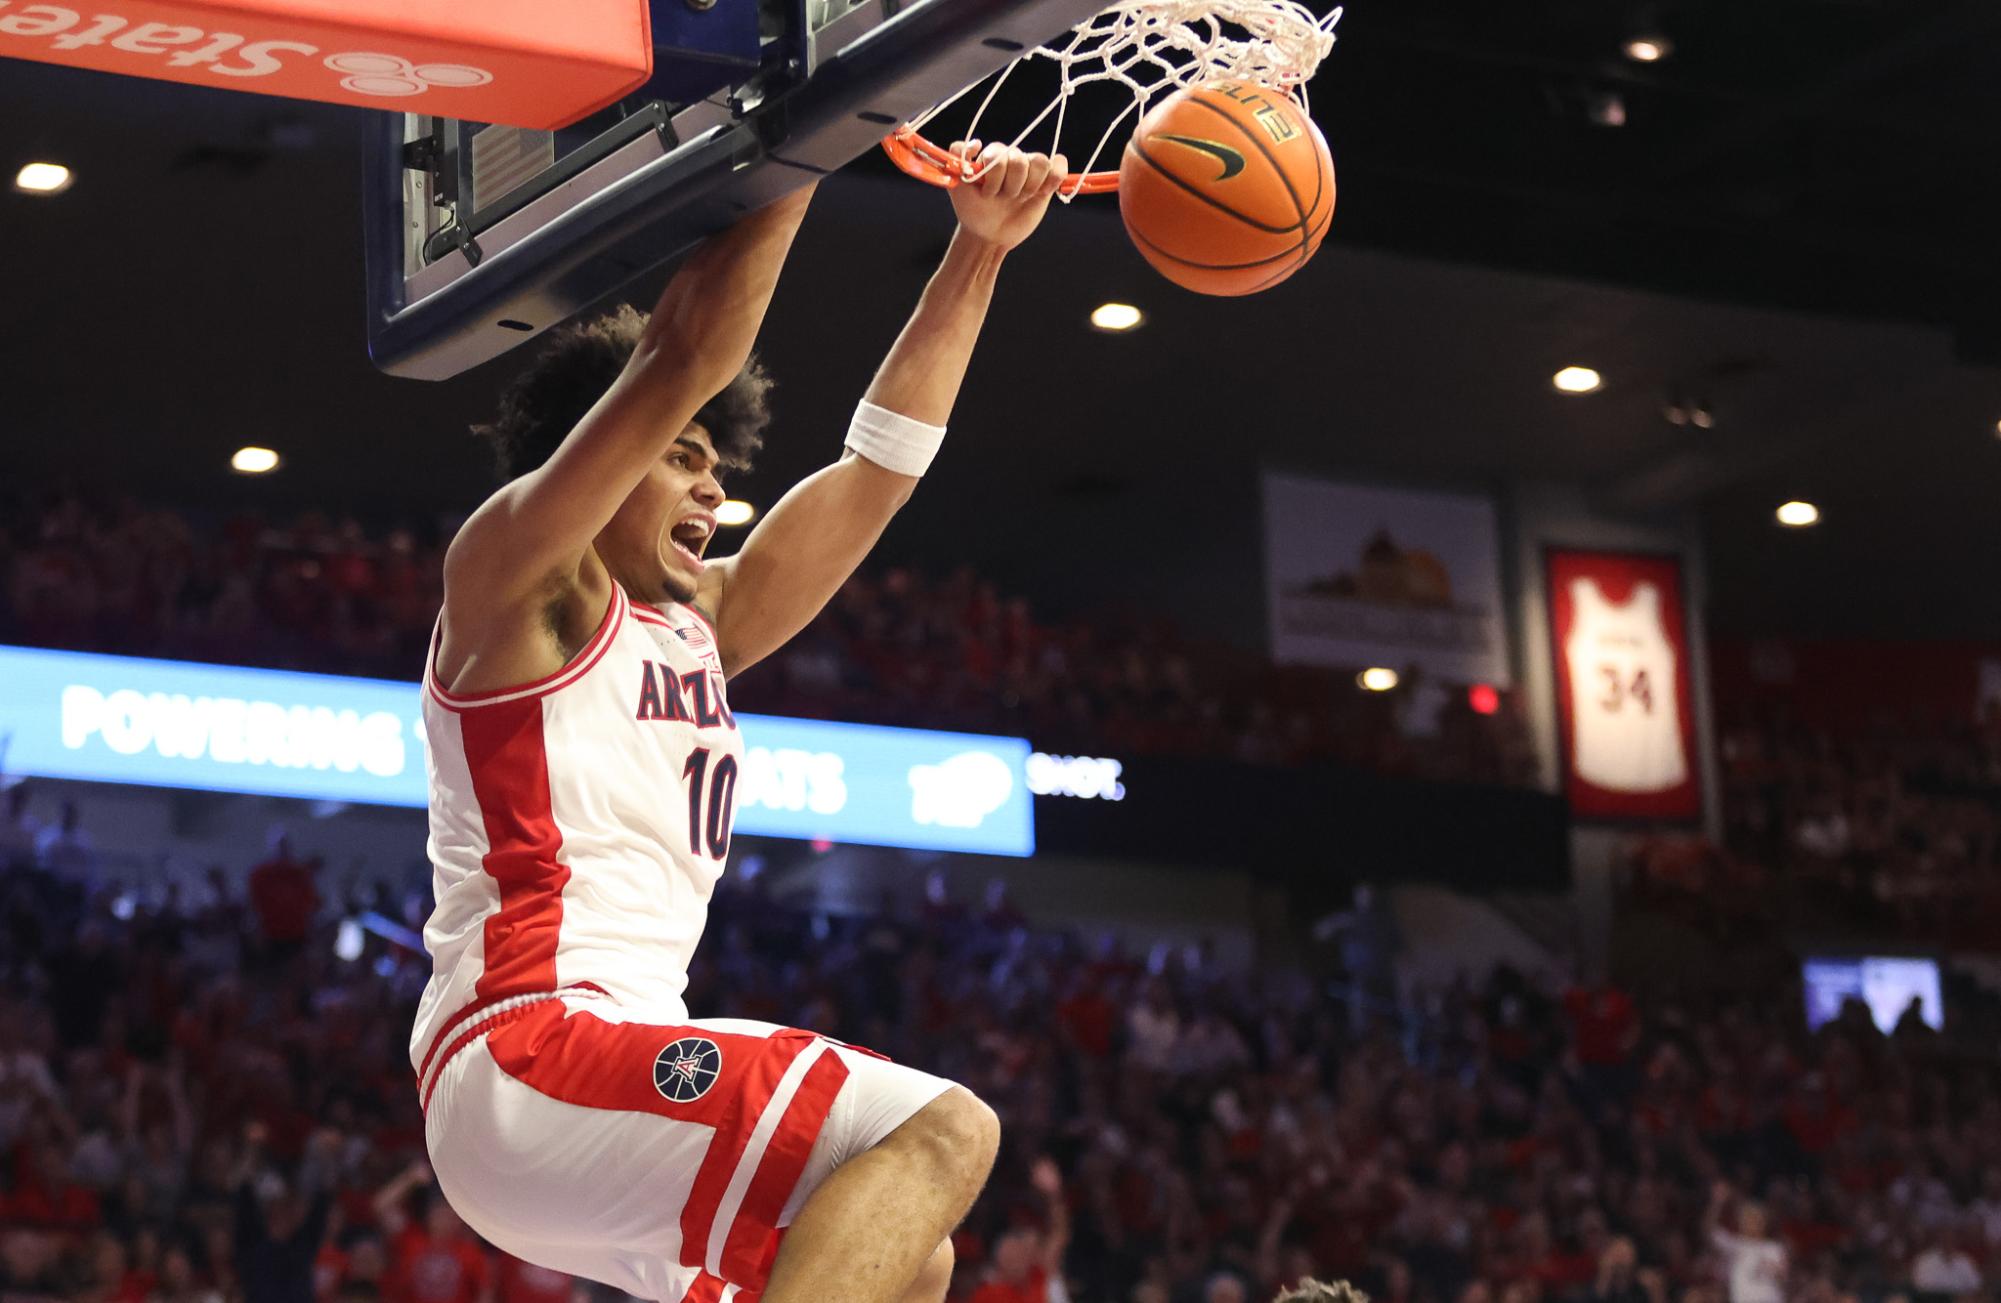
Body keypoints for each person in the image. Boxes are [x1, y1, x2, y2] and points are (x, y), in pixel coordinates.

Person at [411, 144, 1067, 1303]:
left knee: (916, 1256)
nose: (715, 490)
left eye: (719, 465)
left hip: (590, 1084)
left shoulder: (702, 622)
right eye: (682, 456)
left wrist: (979, 252)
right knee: (946, 1130)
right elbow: (682, 354)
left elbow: (877, 471)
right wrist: (810, 129)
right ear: (596, 461)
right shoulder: (517, 581)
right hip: (530, 1046)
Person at [1707, 1183, 1785, 1303]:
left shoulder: (1773, 1247)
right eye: (1747, 1218)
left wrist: (1775, 1270)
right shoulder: (1734, 1244)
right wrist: (1717, 1203)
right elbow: (1710, 1230)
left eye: (1756, 1219)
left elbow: (1783, 1278)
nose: (1751, 1223)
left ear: (1764, 1222)